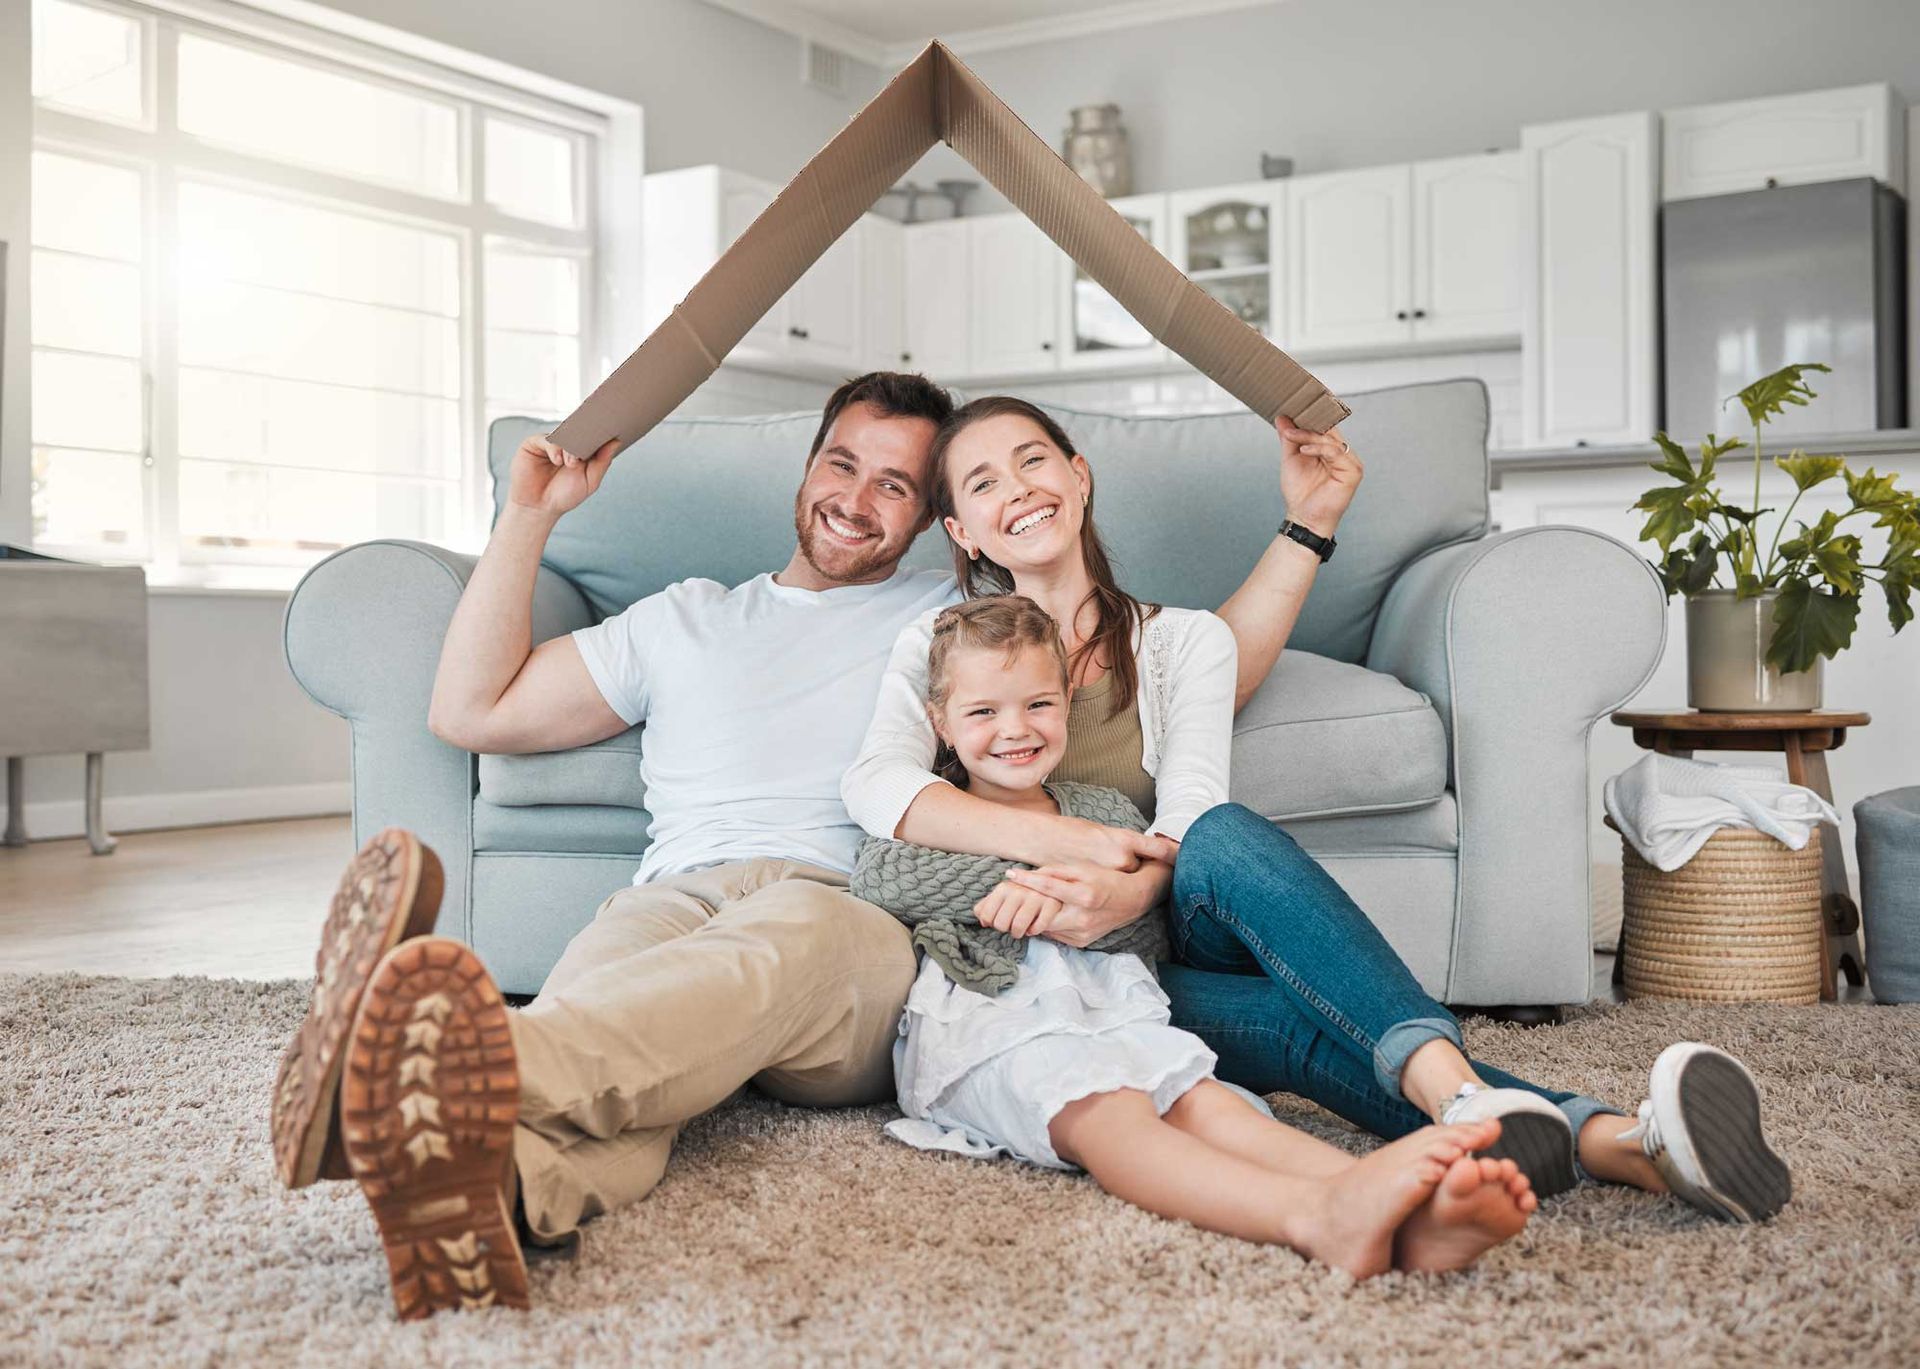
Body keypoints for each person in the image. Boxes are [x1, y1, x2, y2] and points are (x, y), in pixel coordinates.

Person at [270, 371, 1365, 1320]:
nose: (857, 500)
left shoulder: (954, 617)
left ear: (941, 522)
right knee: (630, 1050)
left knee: (762, 946)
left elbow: (1193, 658)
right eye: (843, 465)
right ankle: (486, 1186)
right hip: (669, 896)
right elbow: (471, 711)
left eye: (897, 485)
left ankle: (457, 1070)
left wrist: (1306, 527)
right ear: (805, 469)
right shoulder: (681, 616)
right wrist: (528, 516)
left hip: (842, 920)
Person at [842, 396, 1792, 1227]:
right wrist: (1084, 852)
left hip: (1157, 937)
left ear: (1079, 476)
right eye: (980, 483)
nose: (1016, 488)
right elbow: (879, 791)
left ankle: (1457, 1091)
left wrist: (1123, 895)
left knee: (1222, 834)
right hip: (1112, 987)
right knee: (1297, 1023)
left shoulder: (1184, 644)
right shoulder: (935, 645)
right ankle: (1629, 1144)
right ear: (962, 532)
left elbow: (1190, 817)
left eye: (1033, 460)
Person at [846, 594, 1536, 1276]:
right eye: (983, 711)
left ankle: (1407, 1209)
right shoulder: (931, 811)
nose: (1015, 728)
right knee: (1111, 1114)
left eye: (1038, 704)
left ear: (1065, 704)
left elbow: (1148, 924)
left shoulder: (1102, 809)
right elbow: (883, 876)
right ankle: (1311, 1213)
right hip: (993, 1020)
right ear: (939, 722)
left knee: (1202, 1100)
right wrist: (1035, 882)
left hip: (1115, 1008)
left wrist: (1098, 898)